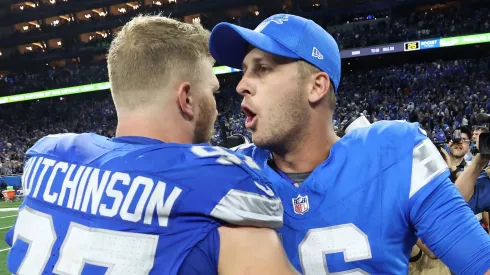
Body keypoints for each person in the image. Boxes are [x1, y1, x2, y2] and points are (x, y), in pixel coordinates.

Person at [5, 15, 298, 275]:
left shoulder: (49, 158)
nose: (217, 107)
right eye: (212, 91)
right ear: (187, 99)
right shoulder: (216, 182)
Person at [209, 13, 490, 274]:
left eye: (262, 69)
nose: (241, 85)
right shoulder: (229, 172)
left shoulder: (393, 152)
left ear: (316, 86)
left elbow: (479, 262)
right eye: (244, 71)